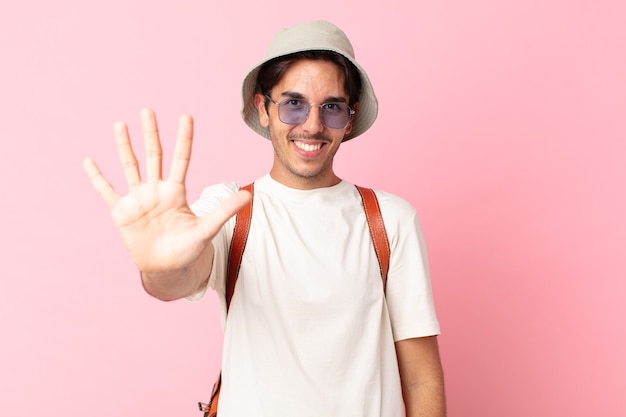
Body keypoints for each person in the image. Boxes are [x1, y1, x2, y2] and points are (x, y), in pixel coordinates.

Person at [83, 20, 446, 417]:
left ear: (350, 116)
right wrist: (159, 265)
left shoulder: (390, 220)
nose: (312, 125)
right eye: (293, 103)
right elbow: (179, 276)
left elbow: (420, 379)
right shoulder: (230, 209)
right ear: (263, 109)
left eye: (332, 107)